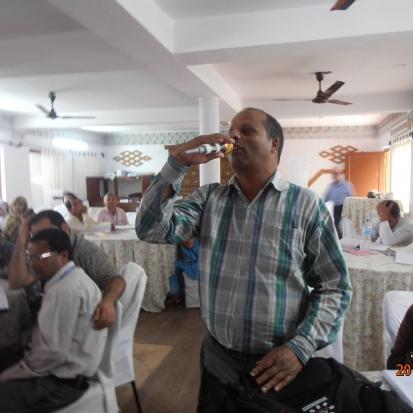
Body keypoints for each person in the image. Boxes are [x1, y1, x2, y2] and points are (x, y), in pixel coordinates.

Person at [136, 107, 351, 411]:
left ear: (274, 144)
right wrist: (178, 162)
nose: (233, 135)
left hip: (277, 364)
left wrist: (300, 348)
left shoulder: (305, 206)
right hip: (217, 356)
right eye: (232, 130)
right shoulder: (208, 199)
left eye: (247, 130)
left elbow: (335, 287)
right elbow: (150, 228)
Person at [0, 228, 107, 412]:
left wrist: (6, 377)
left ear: (63, 255)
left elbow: (52, 354)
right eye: (31, 257)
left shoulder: (65, 289)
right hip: (45, 367)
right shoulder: (68, 279)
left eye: (41, 256)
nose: (34, 263)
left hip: (56, 382)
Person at [8, 210, 125, 330]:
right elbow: (17, 282)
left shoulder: (84, 250)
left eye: (48, 233)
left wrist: (108, 302)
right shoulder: (42, 254)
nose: (41, 241)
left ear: (65, 229)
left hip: (86, 322)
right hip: (59, 314)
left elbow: (115, 279)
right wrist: (22, 241)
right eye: (37, 236)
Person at [323, 166, 354, 239]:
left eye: (337, 173)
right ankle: (339, 240)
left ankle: (342, 240)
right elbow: (326, 198)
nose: (335, 175)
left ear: (340, 174)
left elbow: (351, 197)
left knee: (342, 226)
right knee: (335, 225)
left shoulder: (346, 185)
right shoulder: (331, 186)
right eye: (333, 173)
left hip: (344, 207)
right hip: (336, 207)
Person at [167, 238, 199, 305]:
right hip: (187, 260)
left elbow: (189, 244)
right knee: (173, 268)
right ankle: (175, 293)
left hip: (199, 261)